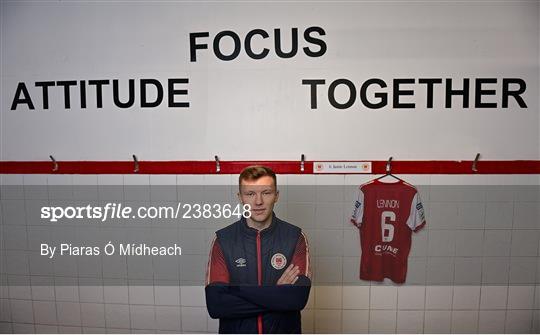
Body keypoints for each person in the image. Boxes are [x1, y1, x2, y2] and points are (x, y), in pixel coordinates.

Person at [205, 165, 312, 334]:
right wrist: (276, 293)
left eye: (266, 192)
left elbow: (296, 299)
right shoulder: (223, 240)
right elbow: (217, 305)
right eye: (250, 194)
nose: (258, 201)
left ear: (276, 196)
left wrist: (236, 290)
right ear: (240, 197)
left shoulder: (295, 237)